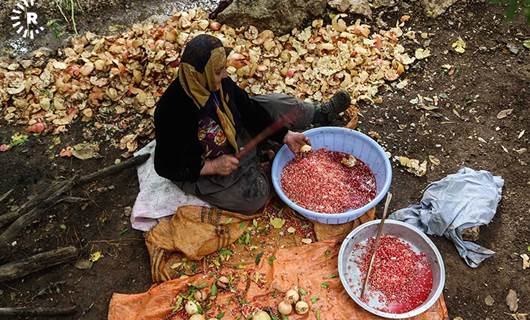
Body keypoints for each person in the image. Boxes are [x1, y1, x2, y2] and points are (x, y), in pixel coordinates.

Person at [154, 34, 350, 214]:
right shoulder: (171, 111)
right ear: (199, 75)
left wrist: (284, 135)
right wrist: (212, 166)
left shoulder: (219, 84)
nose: (224, 74)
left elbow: (248, 109)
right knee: (254, 198)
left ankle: (319, 114)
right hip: (205, 159)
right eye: (218, 71)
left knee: (277, 104)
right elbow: (165, 167)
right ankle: (266, 167)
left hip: (235, 131)